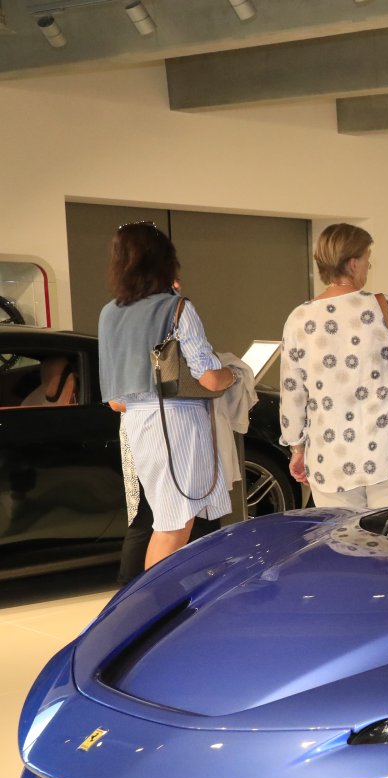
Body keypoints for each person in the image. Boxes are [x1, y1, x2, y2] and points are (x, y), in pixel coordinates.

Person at [97, 222, 238, 569]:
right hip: (176, 423)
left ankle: (162, 595)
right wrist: (235, 374)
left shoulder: (109, 313)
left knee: (169, 521)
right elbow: (209, 377)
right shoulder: (176, 307)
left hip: (137, 424)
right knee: (173, 527)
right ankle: (153, 599)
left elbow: (116, 401)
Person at [279, 223, 388, 509]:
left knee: (341, 535)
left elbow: (293, 393)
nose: (368, 266)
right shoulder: (382, 307)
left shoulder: (298, 319)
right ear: (353, 264)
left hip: (330, 459)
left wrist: (297, 448)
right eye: (367, 259)